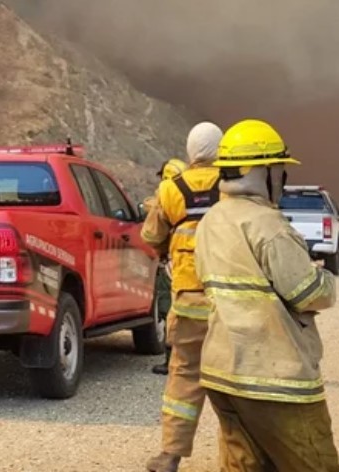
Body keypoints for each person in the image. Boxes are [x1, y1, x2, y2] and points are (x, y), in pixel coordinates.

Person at [194, 119, 339, 472]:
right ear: (259, 172)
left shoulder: (211, 222)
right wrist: (322, 276)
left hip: (223, 372)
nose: (282, 178)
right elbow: (309, 293)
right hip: (276, 378)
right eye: (277, 169)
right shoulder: (268, 225)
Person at [142, 123, 224, 472]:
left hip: (189, 301)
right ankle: (247, 457)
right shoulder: (233, 184)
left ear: (190, 153)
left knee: (184, 377)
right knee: (239, 382)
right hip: (231, 302)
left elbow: (151, 234)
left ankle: (170, 456)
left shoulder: (170, 190)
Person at [147, 158, 188, 376]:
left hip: (171, 264)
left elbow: (151, 234)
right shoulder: (195, 196)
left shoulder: (166, 196)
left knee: (168, 311)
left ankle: (171, 360)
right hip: (193, 265)